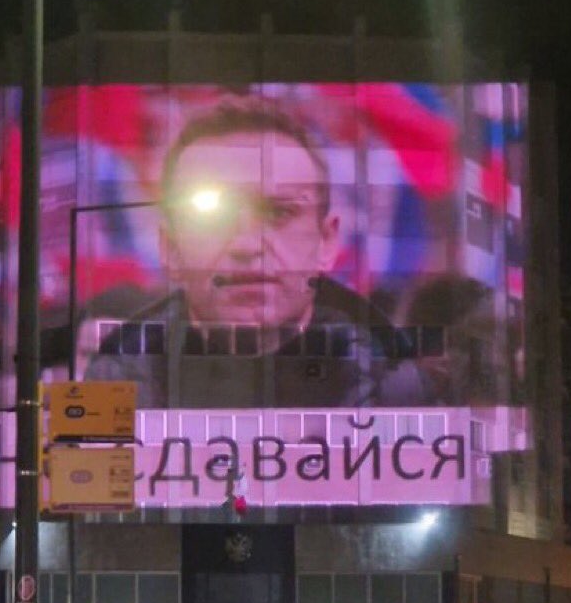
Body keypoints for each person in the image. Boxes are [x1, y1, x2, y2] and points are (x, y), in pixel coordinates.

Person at [85, 98, 432, 409]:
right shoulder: (114, 383)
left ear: (326, 243)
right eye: (213, 217)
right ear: (170, 248)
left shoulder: (397, 387)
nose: (247, 245)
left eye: (280, 213)